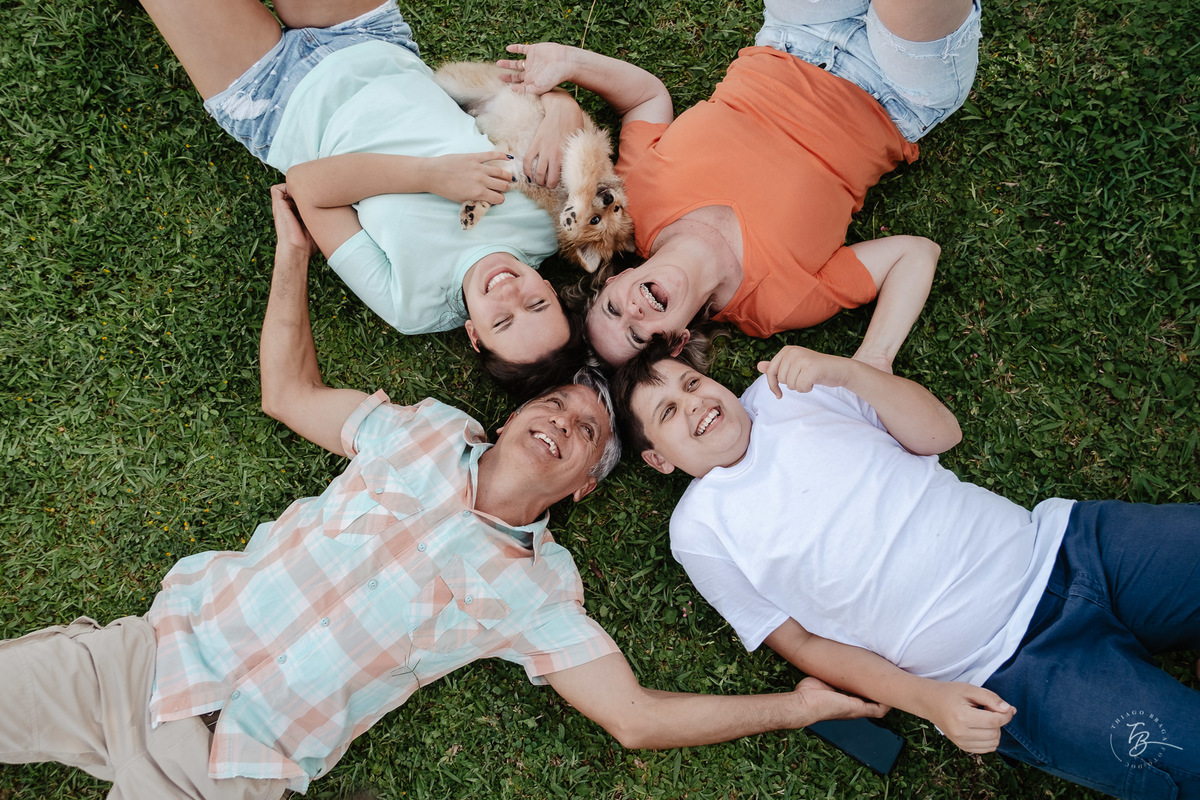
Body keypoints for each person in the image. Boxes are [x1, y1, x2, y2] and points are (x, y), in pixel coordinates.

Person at [0, 189, 883, 800]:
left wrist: (799, 707)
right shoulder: (422, 429)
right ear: (505, 417)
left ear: (583, 488)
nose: (565, 424)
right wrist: (291, 252)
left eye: (587, 436)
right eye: (555, 404)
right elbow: (289, 394)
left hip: (225, 769)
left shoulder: (539, 593)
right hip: (142, 662)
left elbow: (638, 719)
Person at [612, 339, 1200, 799]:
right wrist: (929, 701)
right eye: (669, 411)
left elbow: (941, 433)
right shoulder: (699, 531)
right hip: (1010, 673)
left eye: (692, 382)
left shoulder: (790, 391)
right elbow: (802, 643)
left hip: (1072, 547)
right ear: (659, 459)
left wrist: (847, 371)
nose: (696, 403)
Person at [140, 0, 591, 398]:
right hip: (372, 41)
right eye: (535, 304)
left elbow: (308, 188)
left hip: (274, 101)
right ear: (550, 290)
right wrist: (562, 106)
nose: (510, 293)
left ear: (475, 335)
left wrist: (431, 176)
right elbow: (533, 106)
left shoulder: (412, 305)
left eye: (502, 322)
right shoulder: (548, 225)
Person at [498, 0, 981, 370]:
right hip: (893, 91)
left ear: (614, 280)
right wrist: (873, 360)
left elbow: (646, 98)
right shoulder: (779, 305)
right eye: (638, 336)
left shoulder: (631, 204)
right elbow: (914, 255)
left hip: (795, 34)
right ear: (678, 339)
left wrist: (570, 62)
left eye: (612, 309)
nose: (634, 313)